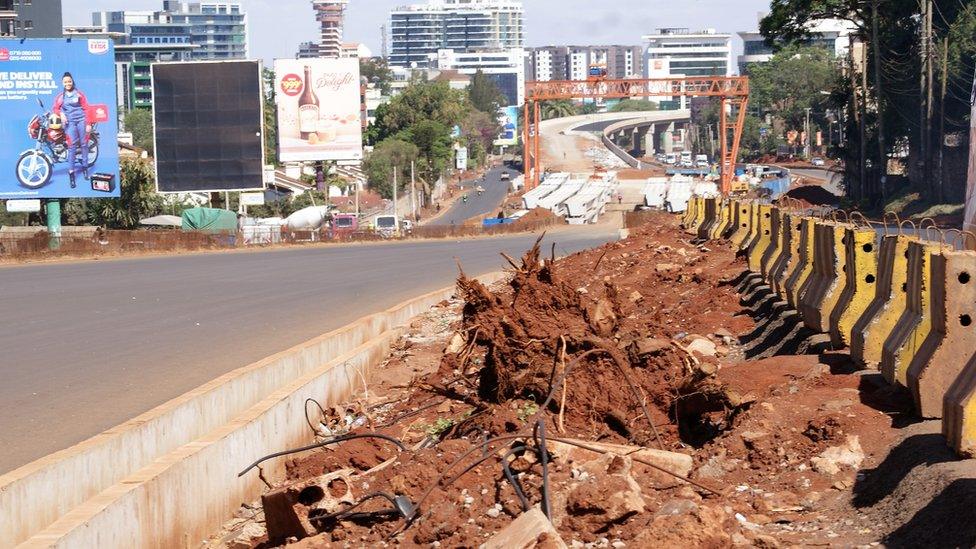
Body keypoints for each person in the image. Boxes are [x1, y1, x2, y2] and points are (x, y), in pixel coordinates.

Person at [52, 72, 90, 188]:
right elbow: (55, 108)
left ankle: (85, 167)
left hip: (82, 121)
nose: (68, 83)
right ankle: (71, 173)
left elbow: (86, 108)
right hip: (70, 123)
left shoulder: (79, 94)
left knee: (84, 144)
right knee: (72, 146)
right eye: (65, 82)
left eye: (69, 81)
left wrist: (88, 123)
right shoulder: (60, 97)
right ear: (62, 83)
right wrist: (61, 113)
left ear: (72, 81)